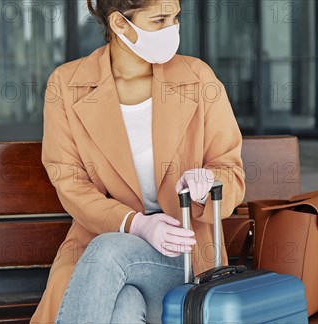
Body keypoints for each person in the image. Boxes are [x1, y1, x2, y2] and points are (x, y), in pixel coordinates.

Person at [30, 0, 246, 322]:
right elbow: (70, 183)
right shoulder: (66, 85)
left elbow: (230, 172)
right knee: (124, 305)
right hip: (99, 254)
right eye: (159, 20)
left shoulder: (198, 78)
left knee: (109, 251)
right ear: (120, 25)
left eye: (175, 17)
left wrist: (206, 188)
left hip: (183, 255)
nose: (172, 29)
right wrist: (136, 224)